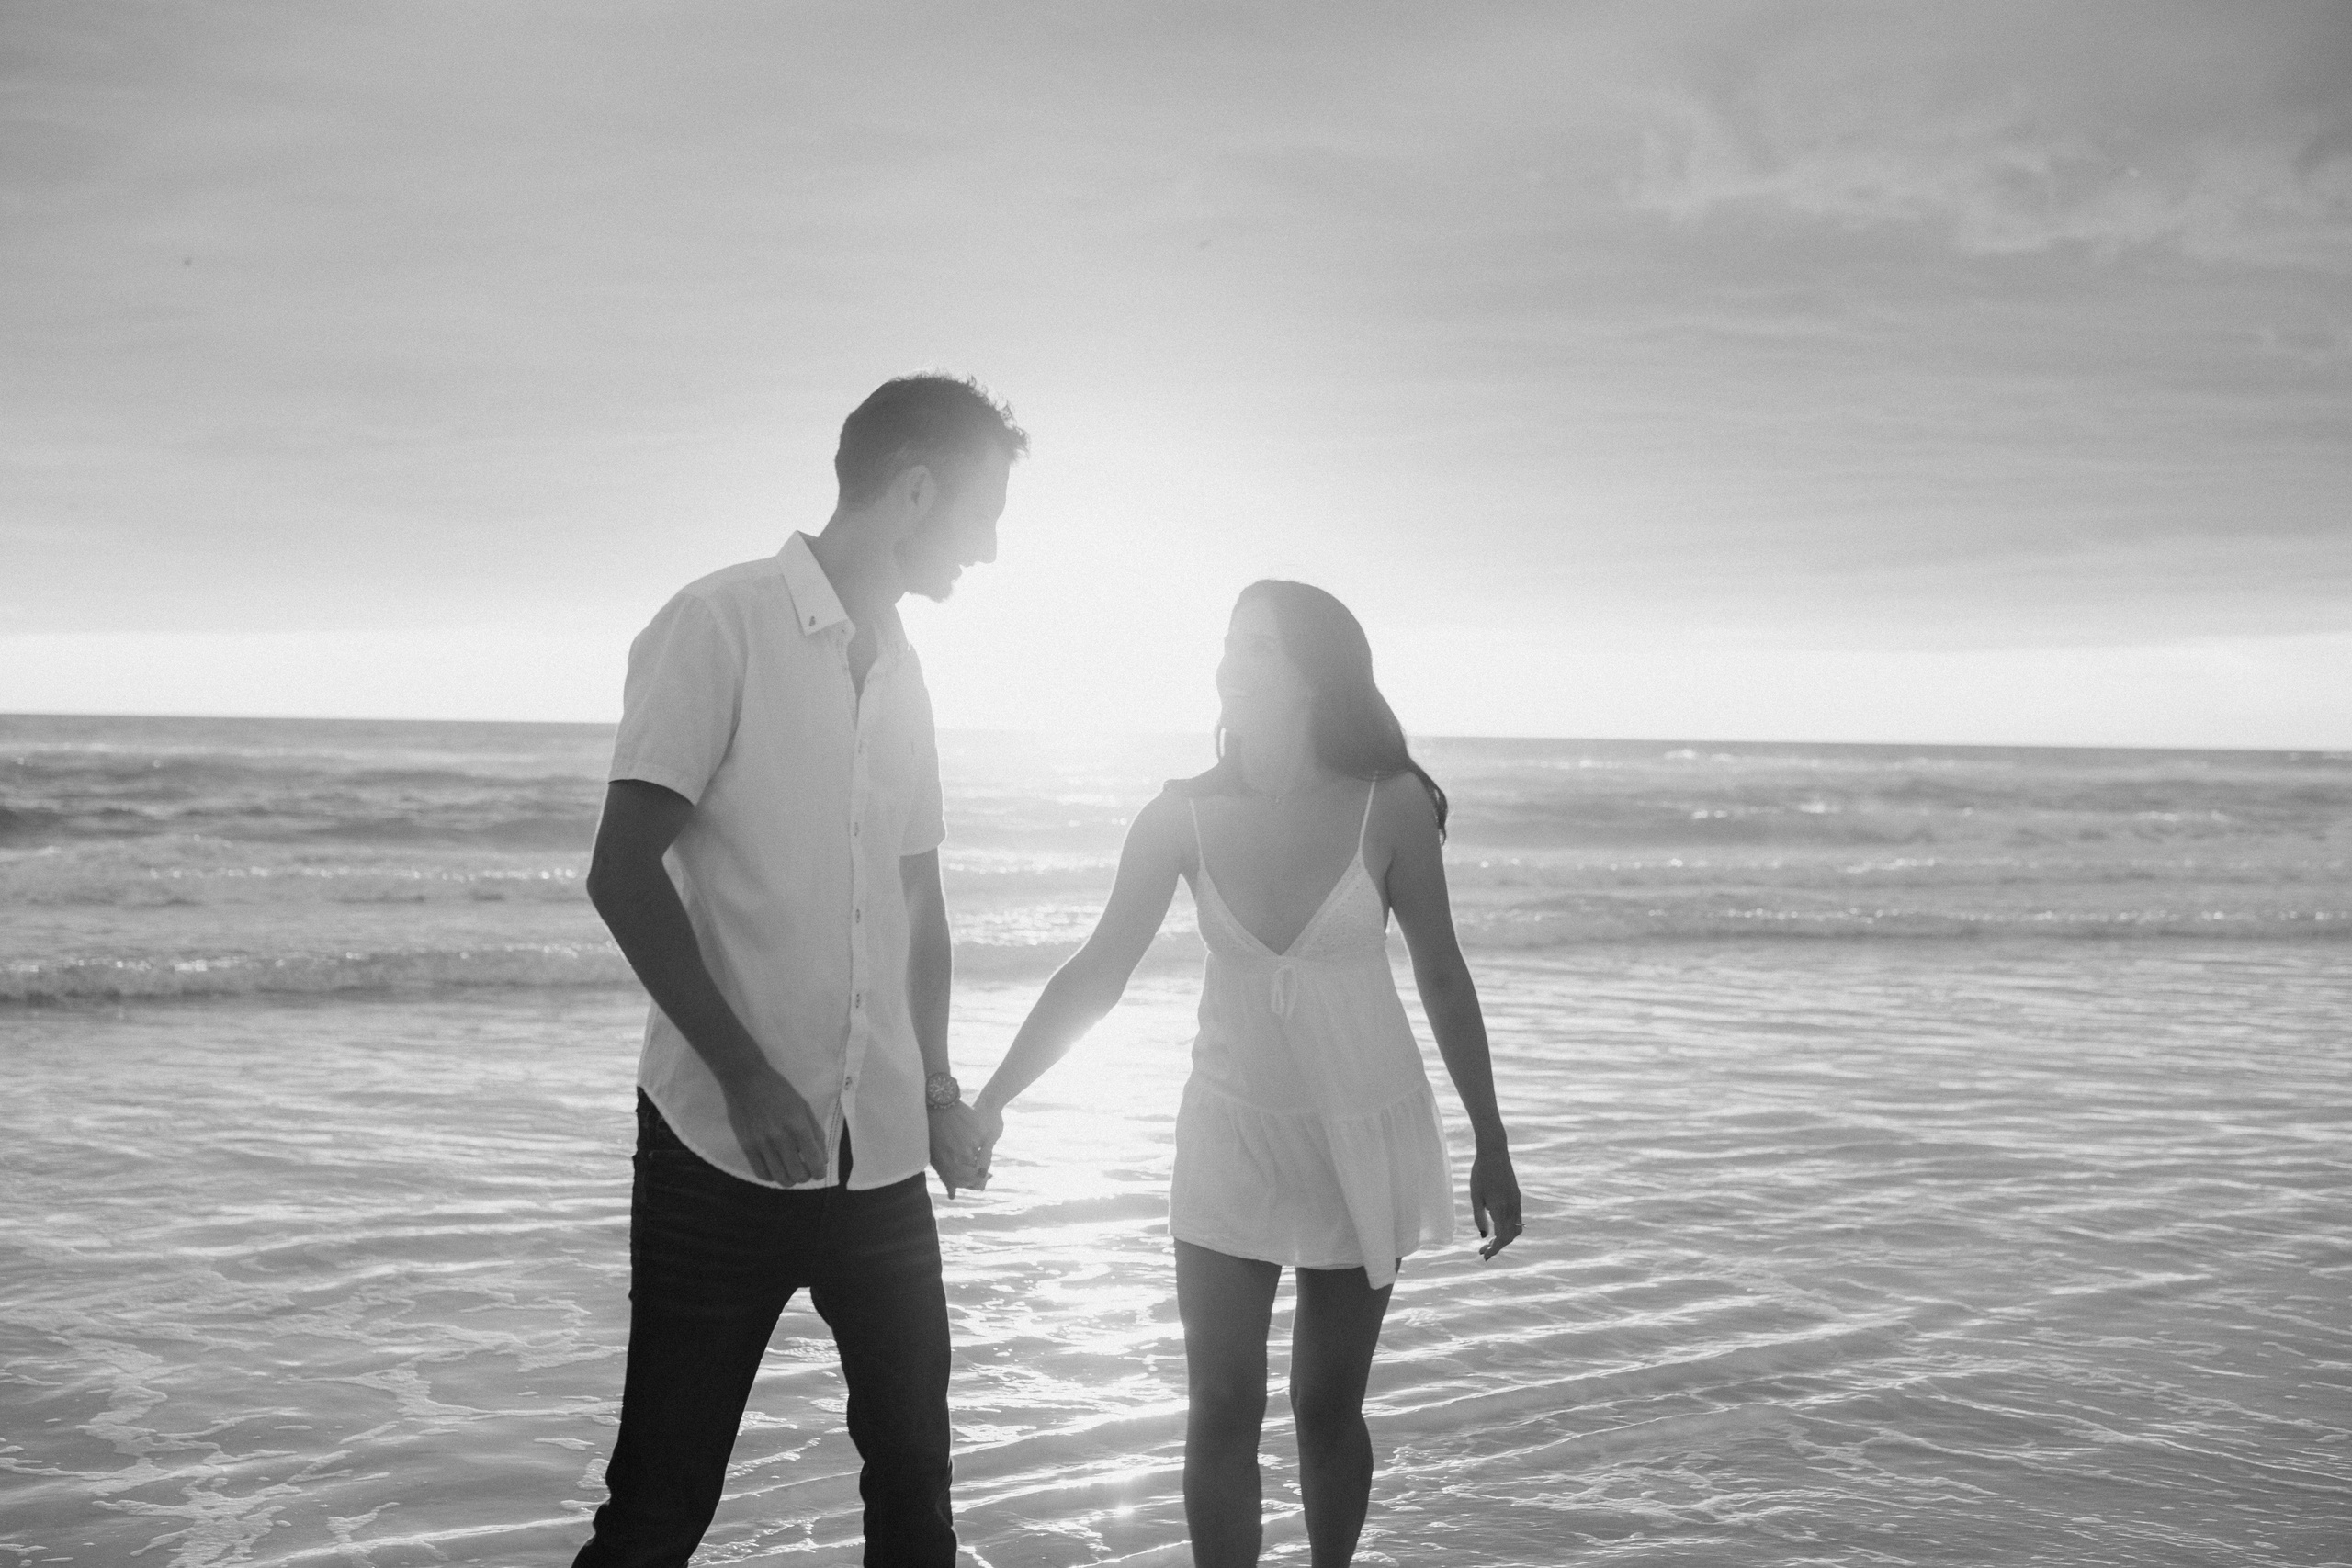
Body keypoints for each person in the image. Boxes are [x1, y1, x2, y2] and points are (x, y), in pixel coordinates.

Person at [967, 580, 1524, 1566]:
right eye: (1226, 644)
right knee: (1219, 1401)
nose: (1228, 663)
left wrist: (1491, 1140)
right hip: (1228, 1131)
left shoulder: (1388, 808)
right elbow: (1098, 969)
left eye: (1255, 647)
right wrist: (994, 1098)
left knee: (1323, 1406)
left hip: (1361, 1125)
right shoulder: (1177, 816)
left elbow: (1441, 971)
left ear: (1312, 674)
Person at [571, 373, 1023, 1568]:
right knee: (662, 1506)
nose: (989, 546)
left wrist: (936, 1087)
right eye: (981, 513)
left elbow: (918, 896)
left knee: (917, 1505)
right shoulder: (716, 624)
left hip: (881, 1160)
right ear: (915, 488)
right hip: (720, 1156)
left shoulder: (910, 669)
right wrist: (746, 1074)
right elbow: (621, 871)